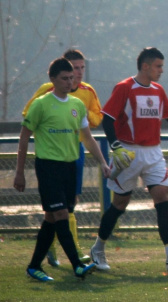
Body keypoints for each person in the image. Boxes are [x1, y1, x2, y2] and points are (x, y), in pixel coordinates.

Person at [90, 47, 168, 273]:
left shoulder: (158, 90)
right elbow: (107, 119)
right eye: (158, 66)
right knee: (119, 204)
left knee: (162, 196)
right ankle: (97, 248)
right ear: (145, 66)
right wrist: (116, 147)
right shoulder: (125, 88)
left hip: (153, 152)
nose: (161, 71)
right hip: (128, 152)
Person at [14, 57, 109, 282]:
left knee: (51, 218)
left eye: (72, 78)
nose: (70, 82)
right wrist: (19, 172)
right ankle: (77, 265)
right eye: (65, 78)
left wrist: (103, 162)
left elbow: (87, 138)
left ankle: (34, 266)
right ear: (53, 80)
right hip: (48, 167)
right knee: (61, 215)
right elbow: (24, 137)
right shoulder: (41, 104)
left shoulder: (77, 105)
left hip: (69, 168)